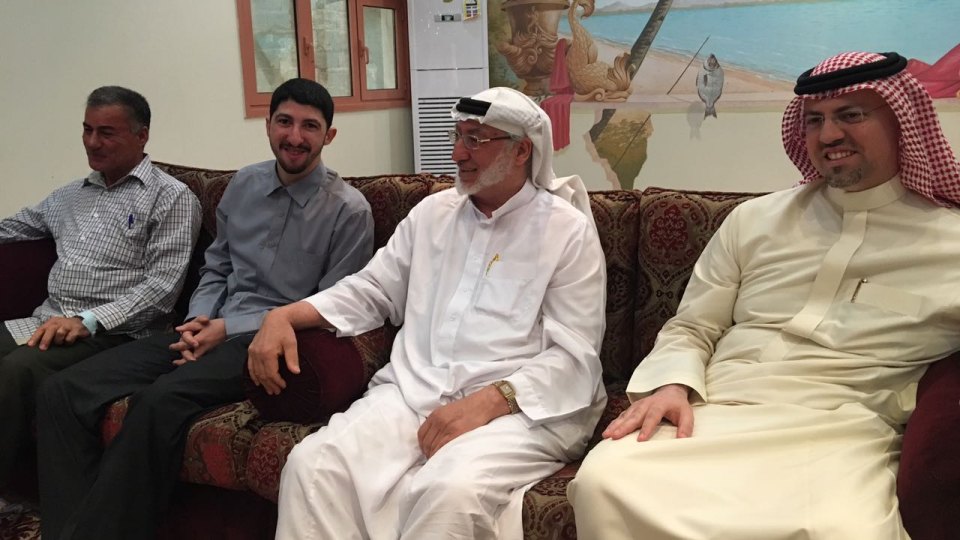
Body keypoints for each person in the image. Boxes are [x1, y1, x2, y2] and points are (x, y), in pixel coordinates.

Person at [568, 51, 960, 539]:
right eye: (814, 120)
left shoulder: (950, 243)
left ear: (903, 120)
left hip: (845, 429)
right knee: (605, 481)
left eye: (850, 115)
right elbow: (693, 325)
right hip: (718, 407)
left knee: (849, 530)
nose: (829, 135)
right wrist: (670, 385)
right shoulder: (755, 220)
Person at [247, 86, 607, 539]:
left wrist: (489, 401)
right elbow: (373, 288)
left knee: (448, 491)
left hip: (520, 410)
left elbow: (574, 355)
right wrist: (284, 316)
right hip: (413, 392)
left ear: (522, 151)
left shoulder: (566, 231)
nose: (457, 153)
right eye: (458, 136)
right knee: (313, 466)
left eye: (476, 140)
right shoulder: (432, 213)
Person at [35, 78, 375, 540]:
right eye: (284, 122)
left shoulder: (349, 210)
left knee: (159, 403)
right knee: (63, 390)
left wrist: (227, 328)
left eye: (309, 126)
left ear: (328, 135)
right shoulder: (244, 184)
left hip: (266, 343)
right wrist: (199, 319)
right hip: (205, 326)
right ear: (268, 126)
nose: (294, 136)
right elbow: (217, 266)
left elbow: (331, 306)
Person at [0, 85, 201, 496]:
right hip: (45, 320)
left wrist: (87, 321)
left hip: (115, 333)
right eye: (87, 130)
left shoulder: (171, 198)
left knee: (18, 371)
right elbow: (14, 228)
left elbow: (162, 290)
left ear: (142, 136)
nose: (92, 142)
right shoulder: (70, 195)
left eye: (107, 132)